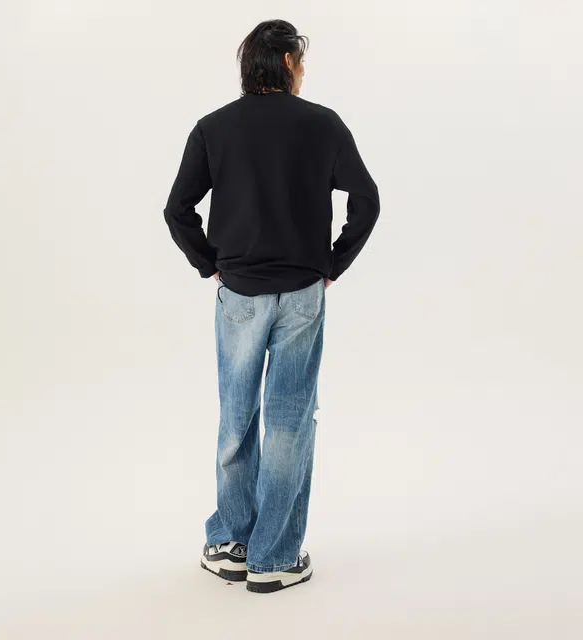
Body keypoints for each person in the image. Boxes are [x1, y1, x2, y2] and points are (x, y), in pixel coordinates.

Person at [163, 19, 380, 593]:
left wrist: (209, 263)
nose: (303, 72)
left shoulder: (214, 127)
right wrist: (332, 263)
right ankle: (276, 558)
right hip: (303, 292)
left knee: (237, 416)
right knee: (288, 421)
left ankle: (231, 544)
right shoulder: (323, 124)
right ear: (287, 62)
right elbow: (367, 200)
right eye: (300, 62)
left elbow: (177, 210)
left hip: (238, 292)